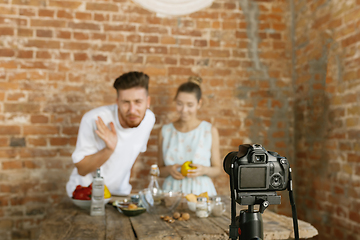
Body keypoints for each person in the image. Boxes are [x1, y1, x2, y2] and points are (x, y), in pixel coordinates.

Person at [66, 71, 155, 197]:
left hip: (120, 194)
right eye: (126, 102)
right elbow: (82, 170)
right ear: (117, 102)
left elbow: (132, 155)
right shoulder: (93, 119)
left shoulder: (149, 119)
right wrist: (109, 149)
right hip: (85, 195)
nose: (132, 110)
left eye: (138, 102)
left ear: (148, 102)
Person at [157, 76, 221, 196]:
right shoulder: (165, 131)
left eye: (190, 105)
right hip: (171, 193)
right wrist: (169, 170)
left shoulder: (209, 131)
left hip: (201, 193)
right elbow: (159, 170)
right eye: (179, 104)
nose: (184, 110)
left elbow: (217, 169)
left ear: (199, 103)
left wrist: (204, 170)